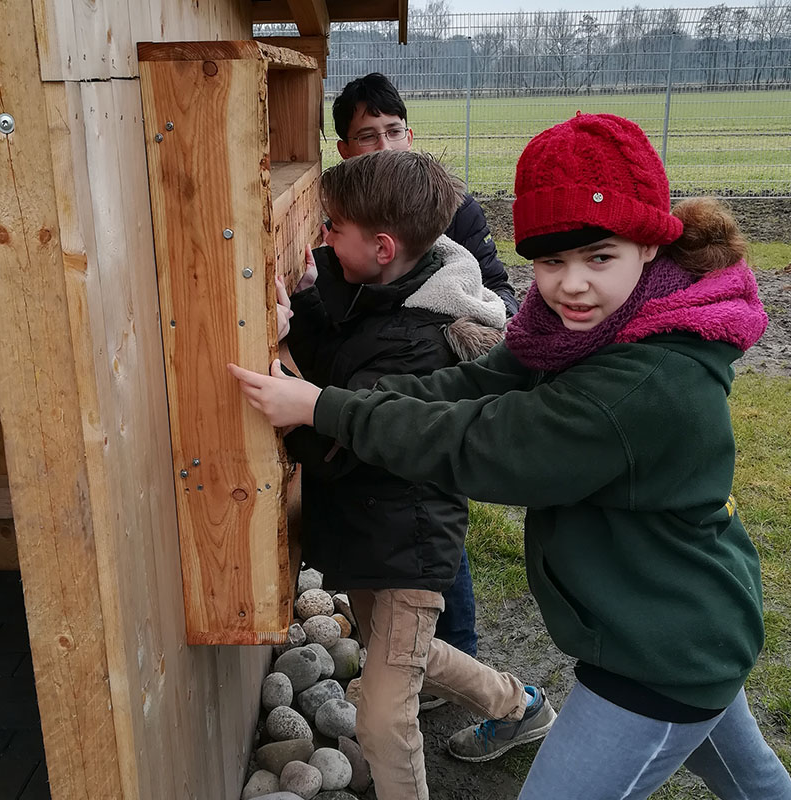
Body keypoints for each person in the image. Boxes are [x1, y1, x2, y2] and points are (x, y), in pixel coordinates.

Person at [228, 114, 791, 799]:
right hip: (684, 618)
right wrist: (331, 397)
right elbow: (470, 384)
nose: (571, 284)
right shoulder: (577, 332)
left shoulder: (639, 383)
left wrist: (325, 408)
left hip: (658, 657)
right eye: (551, 261)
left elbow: (484, 441)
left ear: (649, 245)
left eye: (598, 256)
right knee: (755, 783)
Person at [232, 149, 555, 800]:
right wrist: (303, 310)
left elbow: (344, 440)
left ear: (381, 246)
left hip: (408, 547)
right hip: (374, 534)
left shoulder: (418, 338)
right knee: (407, 655)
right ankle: (520, 705)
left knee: (382, 718)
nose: (322, 236)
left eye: (332, 227)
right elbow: (347, 362)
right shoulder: (392, 294)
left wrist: (291, 389)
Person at [333, 72, 515, 666]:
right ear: (343, 149)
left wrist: (463, 329)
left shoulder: (449, 206)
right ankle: (420, 656)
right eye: (367, 136)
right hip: (377, 369)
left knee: (432, 510)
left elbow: (496, 291)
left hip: (431, 377)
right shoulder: (345, 210)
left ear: (410, 134)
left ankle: (456, 648)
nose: (384, 146)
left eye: (393, 132)